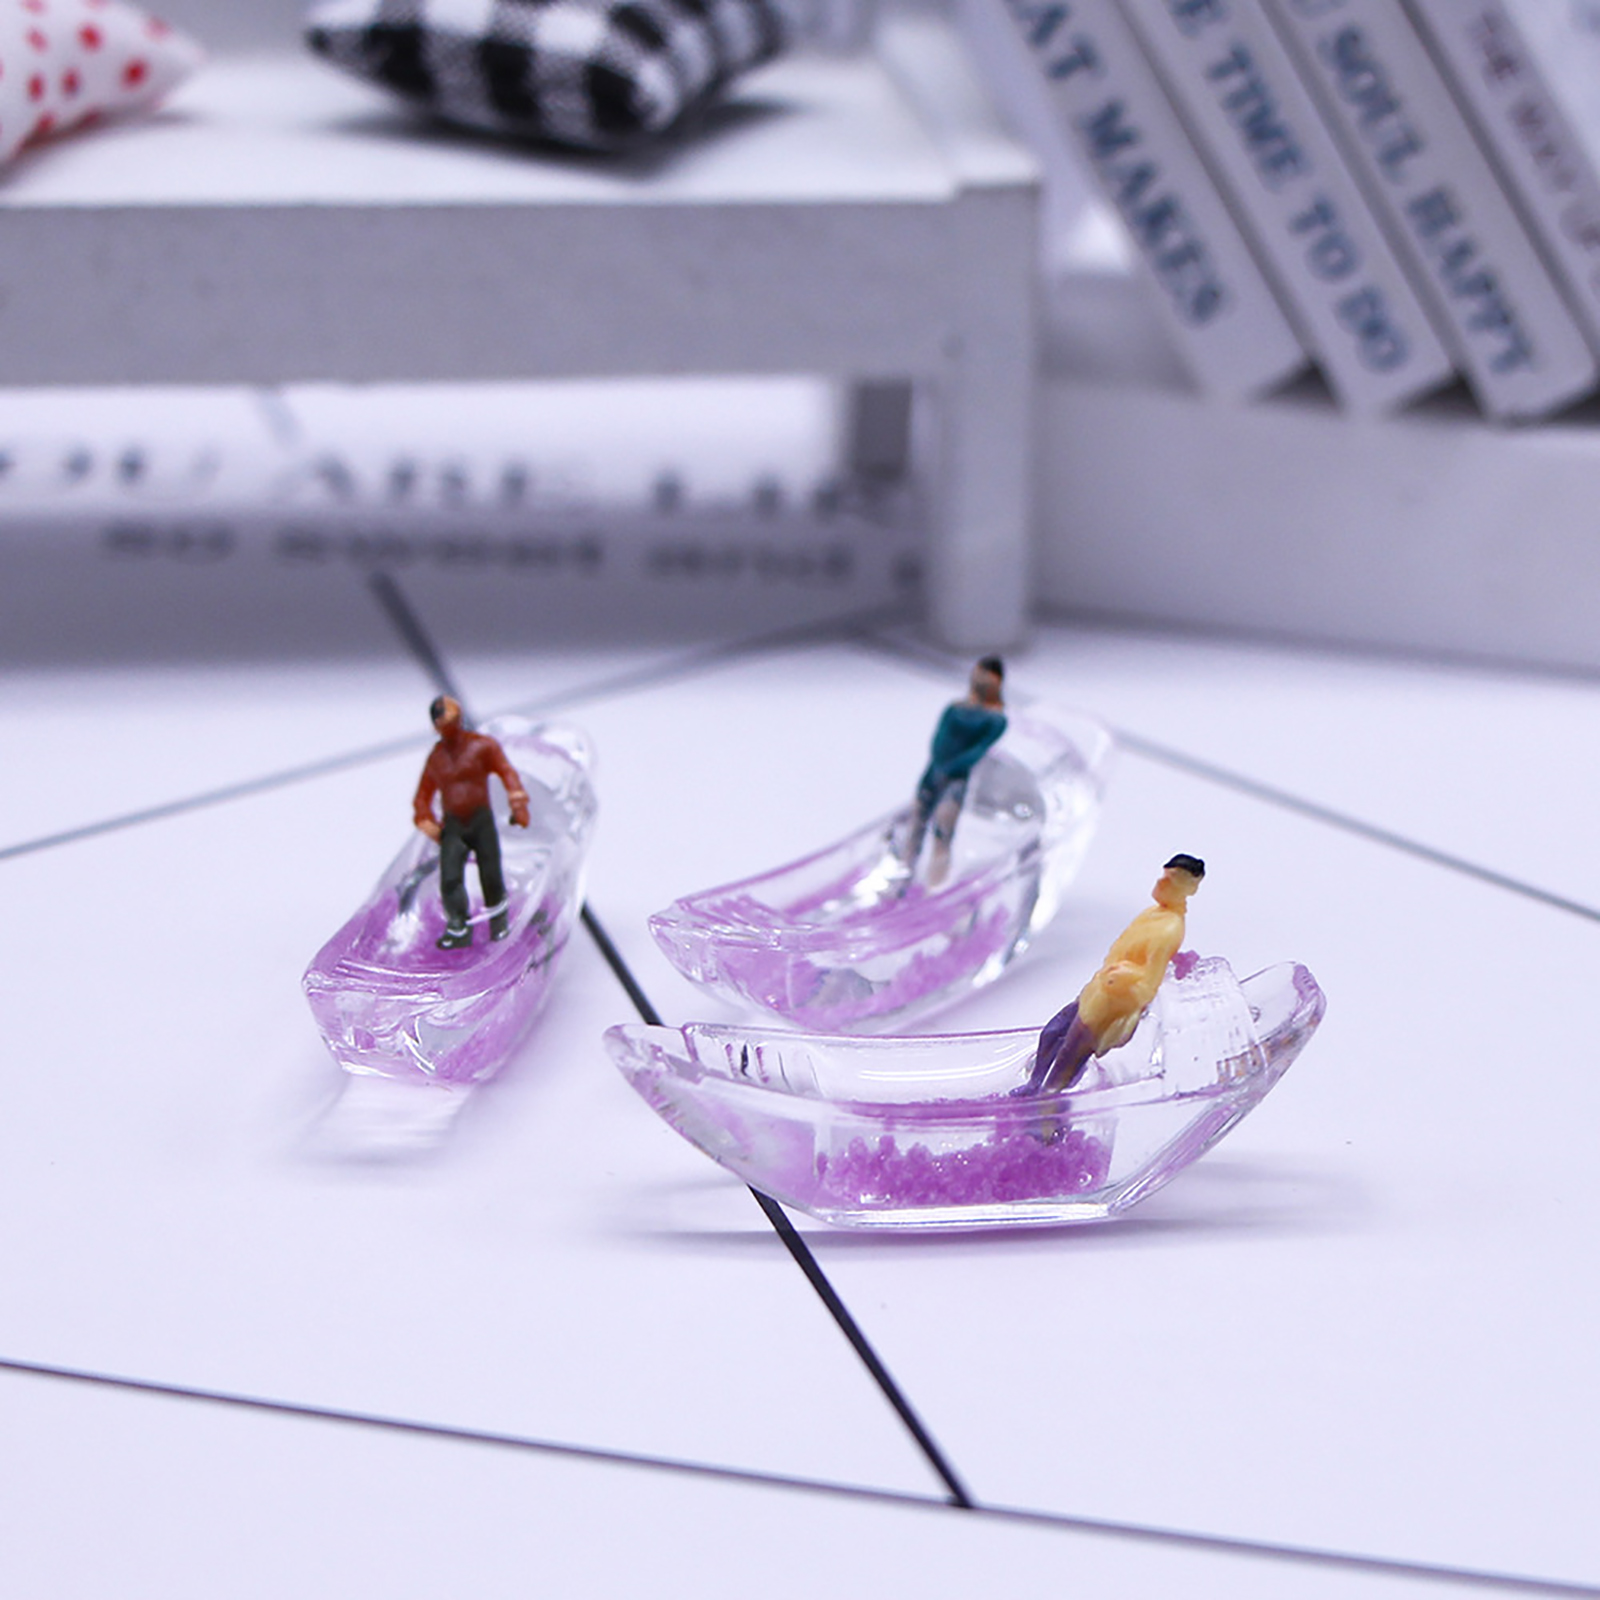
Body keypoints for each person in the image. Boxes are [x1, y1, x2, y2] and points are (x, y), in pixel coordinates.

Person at [1027, 854, 1206, 1093]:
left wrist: (1125, 979)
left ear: (1188, 889)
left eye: (1171, 880)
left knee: (1070, 1054)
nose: (1161, 883)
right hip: (1097, 989)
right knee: (1053, 1033)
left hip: (1112, 1003)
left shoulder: (1169, 928)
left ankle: (1047, 1102)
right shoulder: (1152, 914)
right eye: (1164, 876)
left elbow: (1149, 983)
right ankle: (1034, 1085)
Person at [412, 696, 530, 949]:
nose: (453, 726)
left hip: (481, 821)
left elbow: (506, 772)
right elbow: (423, 795)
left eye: (455, 720)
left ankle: (499, 925)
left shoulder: (482, 746)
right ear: (436, 726)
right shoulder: (436, 758)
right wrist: (426, 820)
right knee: (450, 878)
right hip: (453, 826)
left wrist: (518, 803)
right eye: (446, 722)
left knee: (491, 875)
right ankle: (458, 928)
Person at [900, 656, 1008, 886]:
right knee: (915, 826)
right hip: (933, 774)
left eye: (985, 675)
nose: (979, 679)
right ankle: (903, 877)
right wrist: (940, 763)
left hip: (955, 780)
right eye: (978, 674)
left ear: (996, 680)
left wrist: (951, 766)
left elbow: (978, 750)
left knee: (943, 831)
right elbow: (939, 739)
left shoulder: (995, 719)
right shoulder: (954, 709)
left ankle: (935, 883)